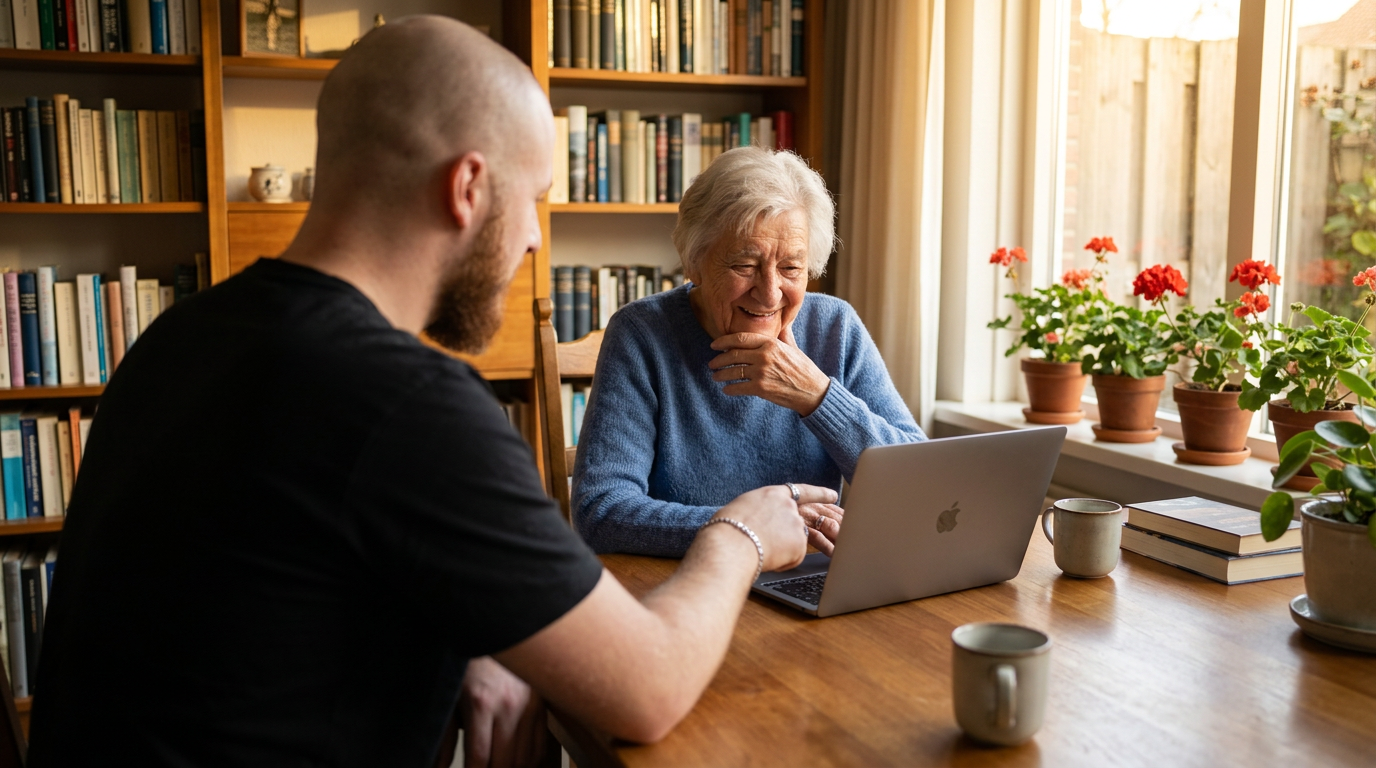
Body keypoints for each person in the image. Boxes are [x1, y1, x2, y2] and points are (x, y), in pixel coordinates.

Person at [26, 17, 834, 768]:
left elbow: (271, 593)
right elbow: (648, 689)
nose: (530, 238)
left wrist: (473, 644)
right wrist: (743, 534)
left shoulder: (183, 337)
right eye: (532, 201)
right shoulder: (409, 406)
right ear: (468, 187)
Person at [572, 147, 926, 558]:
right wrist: (751, 531)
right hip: (690, 586)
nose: (770, 292)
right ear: (695, 261)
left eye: (791, 268)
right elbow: (601, 511)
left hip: (808, 579)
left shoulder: (835, 328)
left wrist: (818, 398)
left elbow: (918, 484)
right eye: (745, 265)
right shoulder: (642, 334)